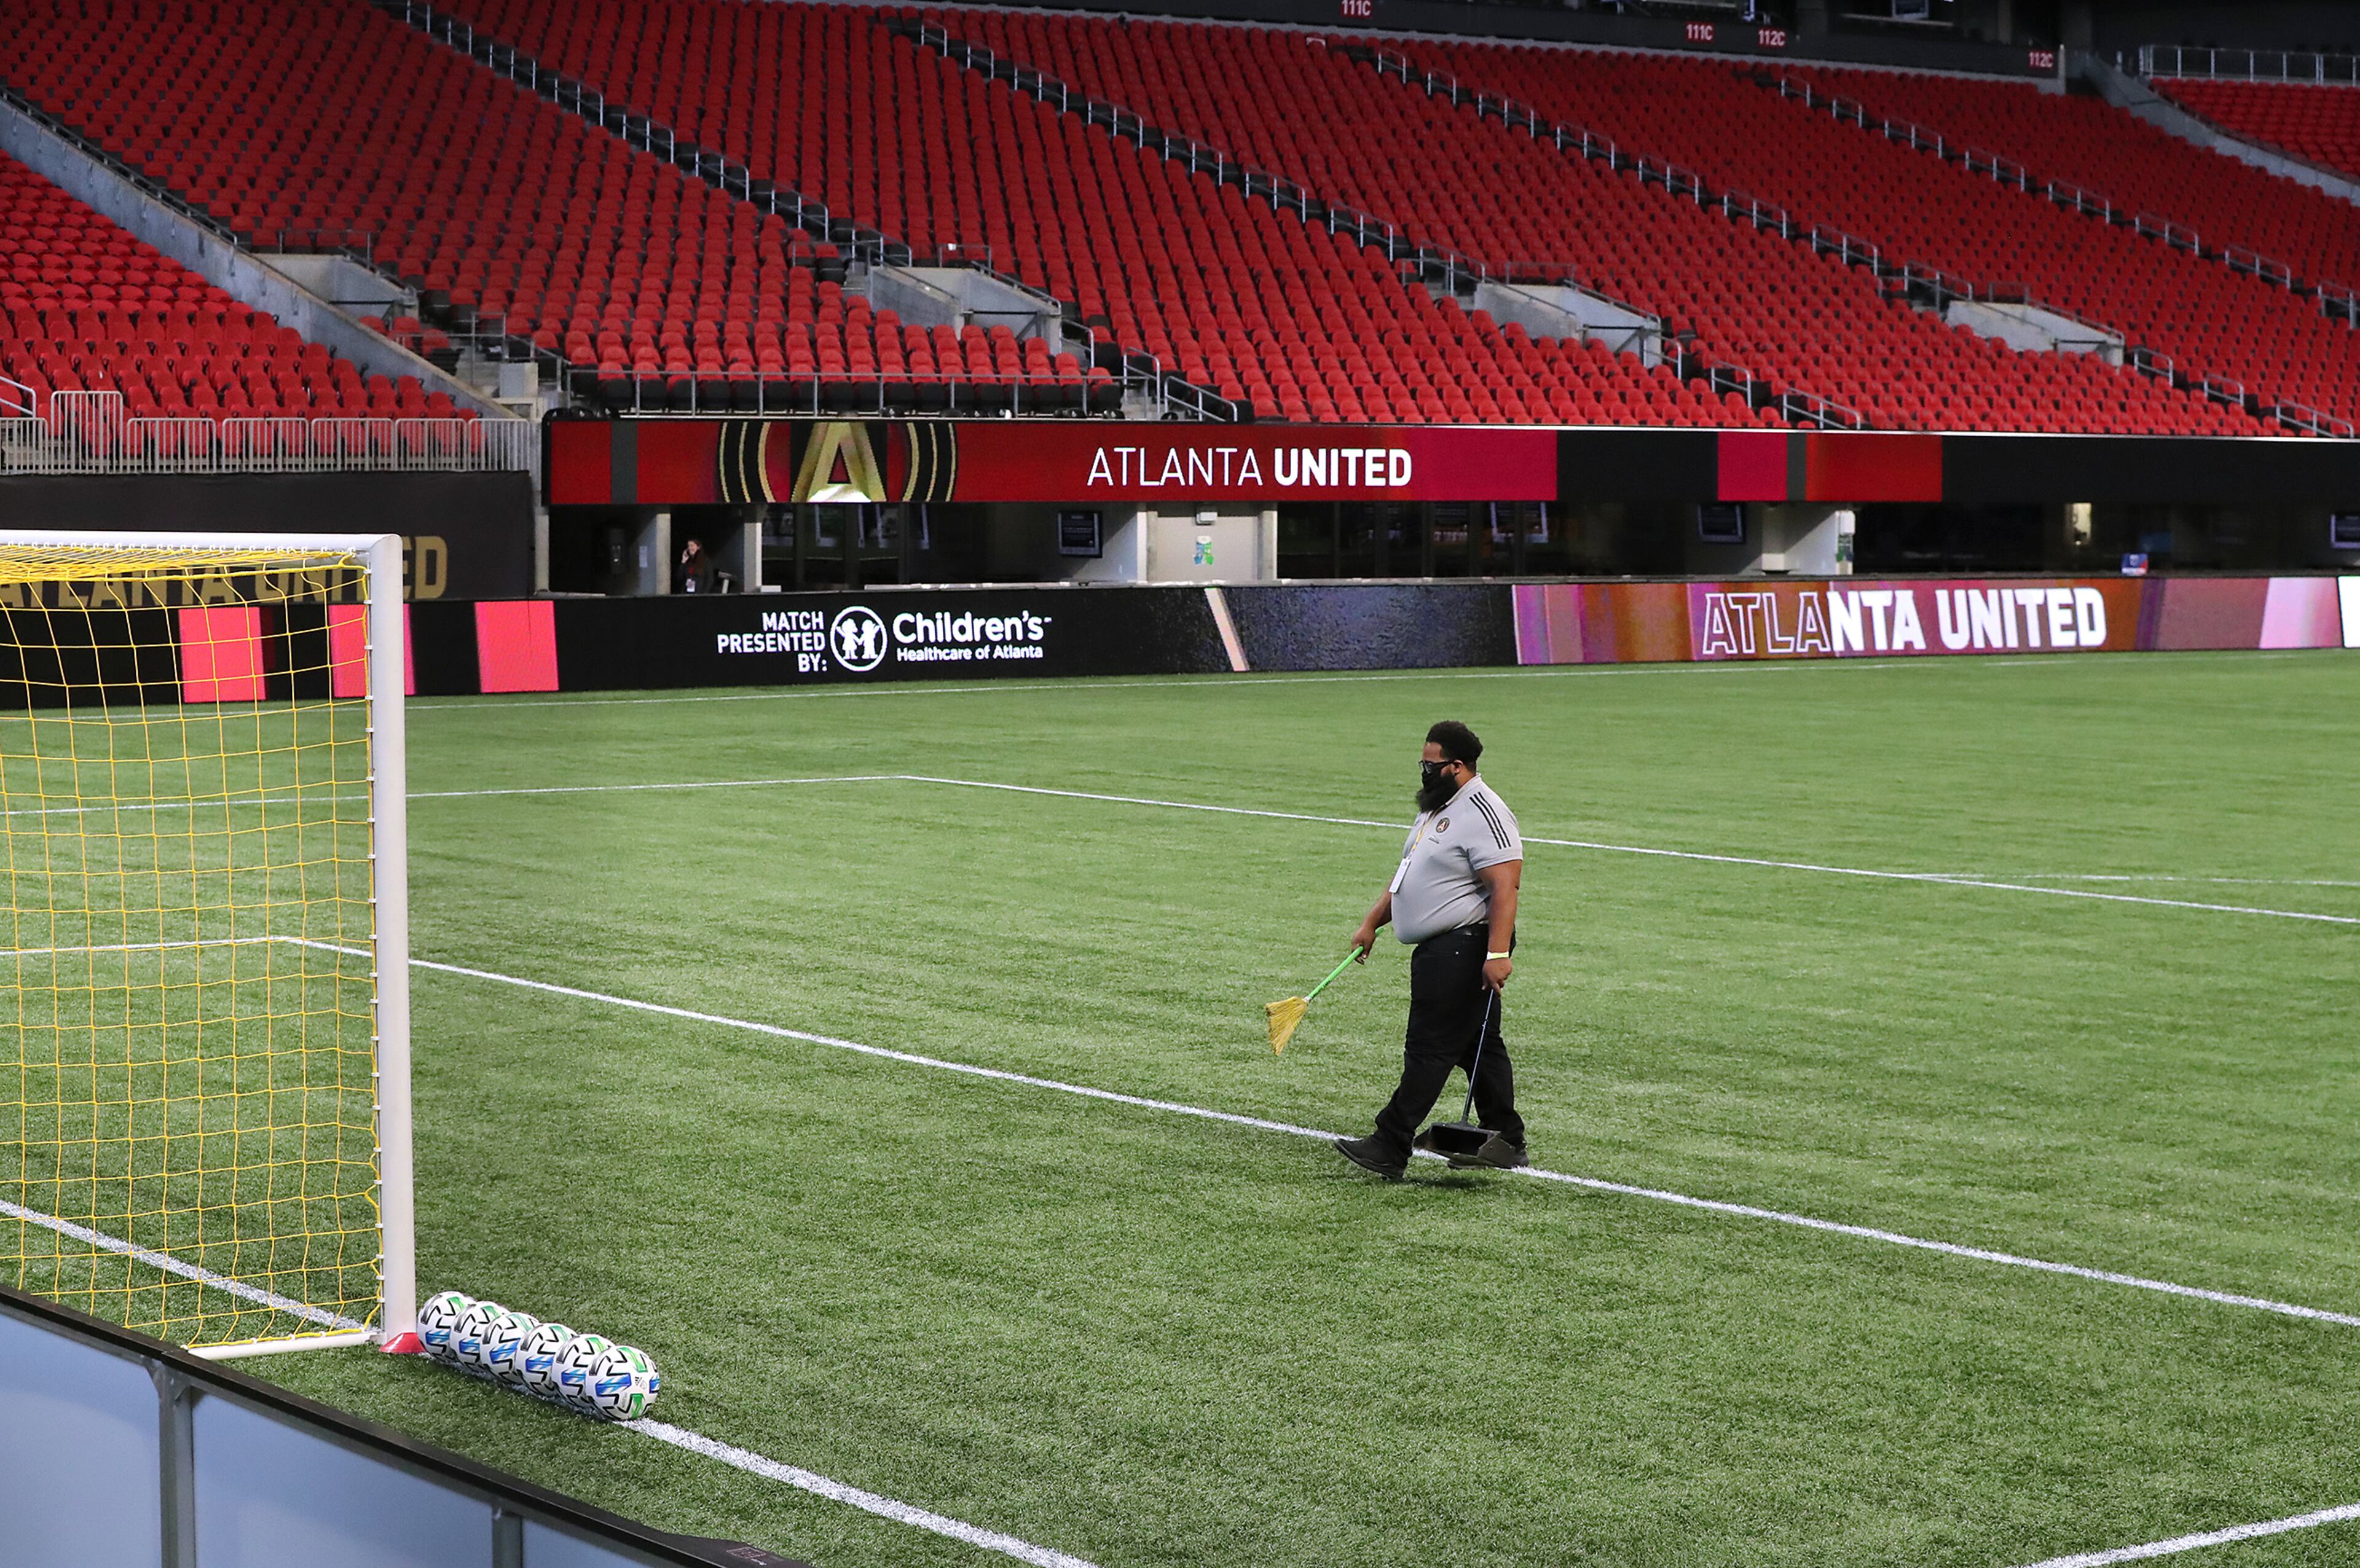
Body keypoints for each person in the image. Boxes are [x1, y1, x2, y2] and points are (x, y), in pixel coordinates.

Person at [1334, 720, 1527, 1180]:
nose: (1424, 771)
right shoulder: (1438, 806)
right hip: (1445, 948)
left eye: (1430, 764)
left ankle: (1390, 1141)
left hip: (1463, 947)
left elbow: (1506, 886)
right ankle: (1507, 1135)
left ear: (1457, 767)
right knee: (1478, 1045)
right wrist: (1372, 922)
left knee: (1430, 1048)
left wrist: (1497, 953)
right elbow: (1408, 872)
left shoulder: (1485, 811)